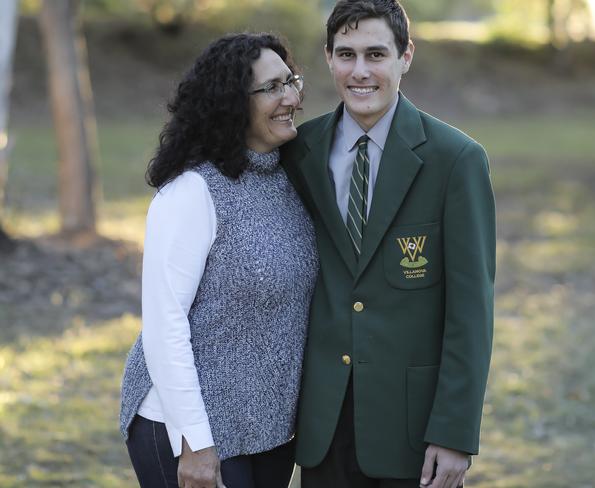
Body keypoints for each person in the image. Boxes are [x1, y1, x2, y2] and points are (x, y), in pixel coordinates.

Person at [281, 1, 496, 487]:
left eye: (376, 54)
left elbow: (471, 311)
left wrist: (455, 432)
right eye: (346, 54)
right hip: (323, 427)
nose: (360, 71)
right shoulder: (298, 152)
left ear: (406, 56)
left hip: (414, 432)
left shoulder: (456, 160)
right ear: (329, 58)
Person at [119, 33, 319, 488]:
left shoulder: (290, 181)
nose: (290, 98)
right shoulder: (192, 193)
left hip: (267, 428)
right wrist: (195, 441)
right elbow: (164, 324)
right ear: (232, 104)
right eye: (271, 88)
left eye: (291, 82)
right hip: (185, 427)